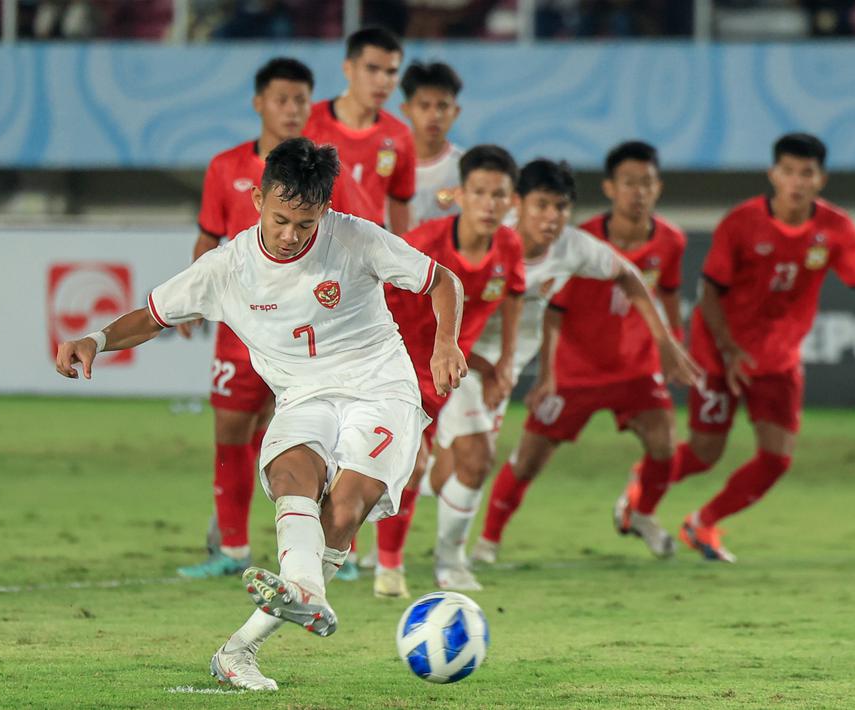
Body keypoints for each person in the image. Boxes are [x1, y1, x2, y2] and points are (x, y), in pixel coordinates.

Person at [54, 138, 467, 691]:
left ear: (324, 209)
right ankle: (301, 592)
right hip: (302, 396)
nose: (291, 234)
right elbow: (153, 315)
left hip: (380, 389)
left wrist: (445, 344)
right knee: (292, 470)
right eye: (280, 219)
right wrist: (96, 339)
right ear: (257, 200)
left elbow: (443, 281)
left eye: (304, 222)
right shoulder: (227, 267)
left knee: (343, 513)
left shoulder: (355, 238)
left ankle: (244, 645)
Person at [427, 158, 701, 590]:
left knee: (452, 470)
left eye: (561, 207)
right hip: (457, 355)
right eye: (541, 206)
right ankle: (440, 562)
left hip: (504, 368)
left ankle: (412, 541)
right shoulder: (490, 235)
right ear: (518, 204)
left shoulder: (573, 247)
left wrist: (665, 342)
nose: (551, 218)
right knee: (471, 461)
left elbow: (628, 276)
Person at [663, 132, 855, 562]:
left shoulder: (835, 229)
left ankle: (703, 523)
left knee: (776, 460)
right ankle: (641, 487)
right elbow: (709, 292)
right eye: (788, 171)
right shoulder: (741, 223)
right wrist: (728, 350)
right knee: (704, 452)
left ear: (820, 179)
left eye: (806, 173)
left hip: (778, 358)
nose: (796, 181)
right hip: (719, 352)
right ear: (773, 174)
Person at [177, 57, 314, 579]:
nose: (291, 109)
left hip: (301, 331)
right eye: (281, 99)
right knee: (233, 430)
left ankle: (322, 552)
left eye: (301, 99)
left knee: (303, 437)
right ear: (259, 103)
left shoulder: (319, 173)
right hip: (240, 326)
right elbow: (208, 238)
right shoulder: (225, 166)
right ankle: (232, 549)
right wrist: (192, 294)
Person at [371, 145, 527, 598]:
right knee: (412, 465)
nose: (489, 204)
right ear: (459, 194)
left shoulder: (509, 246)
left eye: (499, 195)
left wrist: (504, 363)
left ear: (511, 201)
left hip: (447, 373)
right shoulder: (424, 243)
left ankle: (445, 561)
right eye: (479, 192)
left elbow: (513, 293)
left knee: (463, 460)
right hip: (396, 362)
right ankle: (387, 567)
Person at [304, 26, 416, 232]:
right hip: (313, 242)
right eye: (372, 69)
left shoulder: (400, 135)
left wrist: (401, 254)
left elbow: (400, 202)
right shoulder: (306, 123)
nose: (383, 81)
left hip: (369, 250)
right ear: (348, 68)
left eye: (391, 72)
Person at [399, 60, 464, 226]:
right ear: (406, 109)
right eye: (424, 106)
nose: (435, 115)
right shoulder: (388, 164)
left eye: (442, 106)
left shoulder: (466, 168)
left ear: (456, 111)